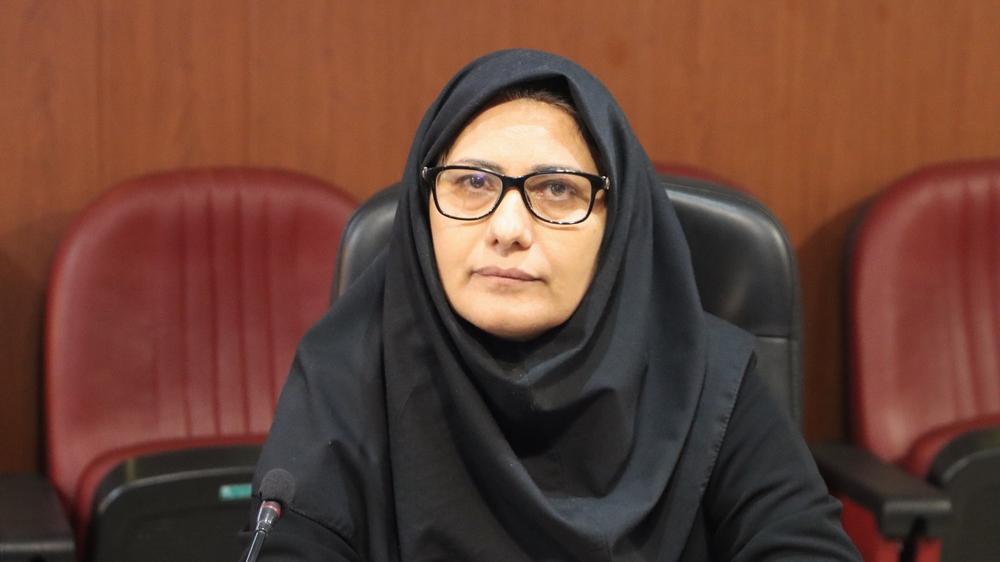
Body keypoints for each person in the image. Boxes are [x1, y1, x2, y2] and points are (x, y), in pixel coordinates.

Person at [250, 49, 860, 561]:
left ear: (616, 225)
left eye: (557, 189)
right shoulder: (347, 372)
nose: (508, 228)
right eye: (472, 182)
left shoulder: (706, 379)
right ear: (423, 205)